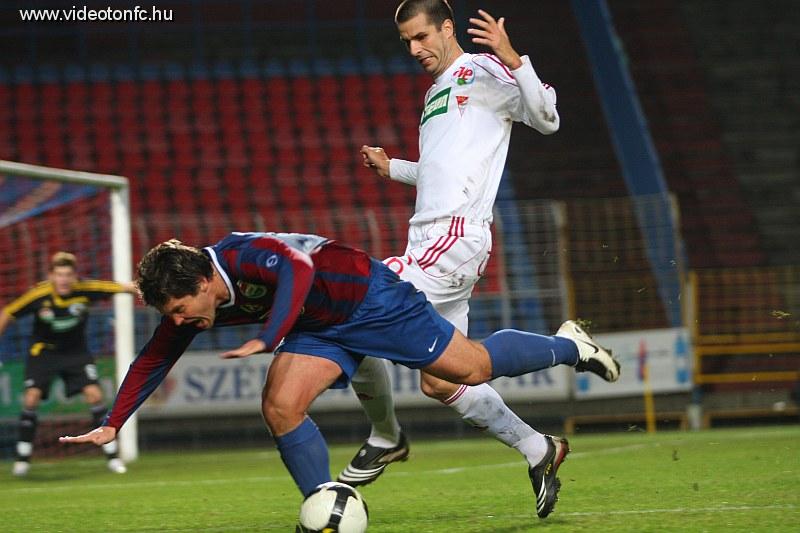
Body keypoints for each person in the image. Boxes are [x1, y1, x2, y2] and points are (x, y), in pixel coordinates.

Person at [60, 233, 619, 521]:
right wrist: (113, 423)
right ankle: (327, 508)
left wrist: (269, 335)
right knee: (280, 405)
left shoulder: (241, 254)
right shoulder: (190, 302)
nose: (181, 322)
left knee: (470, 368)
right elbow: (153, 358)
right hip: (318, 326)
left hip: (370, 300)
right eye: (174, 316)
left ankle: (570, 345)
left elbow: (298, 268)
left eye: (183, 310)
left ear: (205, 281)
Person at [340, 0, 569, 518]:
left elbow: (547, 118)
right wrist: (393, 168)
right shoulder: (435, 92)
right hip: (428, 240)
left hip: (454, 237)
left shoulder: (483, 69)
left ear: (447, 28)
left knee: (354, 301)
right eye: (406, 42)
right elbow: (440, 170)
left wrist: (515, 59)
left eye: (421, 37)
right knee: (443, 380)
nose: (414, 49)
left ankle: (385, 436)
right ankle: (539, 448)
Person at [0, 251, 136, 476]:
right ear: (51, 276)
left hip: (76, 353)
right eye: (59, 275)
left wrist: (153, 289)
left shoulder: (86, 289)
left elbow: (122, 287)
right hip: (44, 352)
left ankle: (113, 458)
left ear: (74, 277)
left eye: (68, 275)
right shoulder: (38, 295)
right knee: (31, 398)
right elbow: (7, 312)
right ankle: (22, 460)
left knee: (95, 395)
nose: (63, 280)